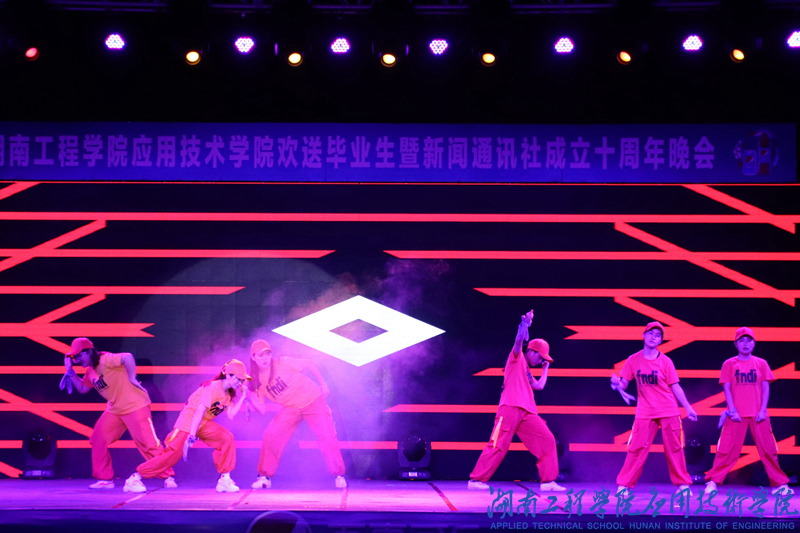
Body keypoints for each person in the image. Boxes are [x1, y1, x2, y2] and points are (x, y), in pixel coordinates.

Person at [468, 310, 567, 492]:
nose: (541, 360)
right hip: (509, 409)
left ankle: (548, 482)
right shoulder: (517, 358)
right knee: (498, 444)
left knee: (548, 440)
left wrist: (545, 369)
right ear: (531, 351)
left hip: (528, 412)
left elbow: (539, 386)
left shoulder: (527, 371)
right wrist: (525, 324)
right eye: (540, 357)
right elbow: (518, 341)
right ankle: (476, 480)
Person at [62, 337, 176, 490]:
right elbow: (82, 389)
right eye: (74, 358)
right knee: (98, 439)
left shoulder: (105, 359)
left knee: (148, 444)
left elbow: (127, 357)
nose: (76, 360)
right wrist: (70, 371)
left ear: (89, 352)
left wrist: (132, 378)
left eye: (79, 356)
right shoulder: (90, 371)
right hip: (115, 410)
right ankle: (104, 480)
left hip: (135, 405)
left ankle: (168, 476)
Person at [123, 359, 250, 493]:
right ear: (228, 374)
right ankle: (135, 477)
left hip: (202, 423)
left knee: (226, 438)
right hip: (188, 422)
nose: (240, 383)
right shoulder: (213, 387)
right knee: (171, 455)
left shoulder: (227, 393)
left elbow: (231, 414)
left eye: (242, 380)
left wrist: (243, 397)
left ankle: (225, 479)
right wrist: (192, 436)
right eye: (238, 379)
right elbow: (199, 411)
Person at [246, 339, 347, 490]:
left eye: (267, 354)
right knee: (271, 434)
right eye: (261, 355)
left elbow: (310, 364)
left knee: (326, 434)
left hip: (313, 399)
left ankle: (339, 475)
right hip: (291, 407)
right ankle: (265, 477)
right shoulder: (257, 381)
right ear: (253, 357)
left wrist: (323, 384)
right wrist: (250, 399)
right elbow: (262, 410)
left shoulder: (281, 363)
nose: (265, 358)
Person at [704, 327, 793, 496]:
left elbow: (765, 388)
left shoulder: (761, 363)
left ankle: (779, 485)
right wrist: (732, 410)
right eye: (741, 340)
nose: (745, 344)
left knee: (768, 450)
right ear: (736, 344)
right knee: (726, 450)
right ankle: (713, 481)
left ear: (754, 343)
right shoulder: (729, 364)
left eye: (749, 340)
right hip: (735, 415)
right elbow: (727, 389)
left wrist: (762, 410)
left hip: (758, 414)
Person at [612, 321, 698, 496]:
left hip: (668, 410)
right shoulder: (633, 359)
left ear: (661, 341)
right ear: (644, 335)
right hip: (645, 411)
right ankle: (624, 485)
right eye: (651, 333)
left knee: (674, 448)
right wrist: (617, 384)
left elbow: (675, 386)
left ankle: (683, 485)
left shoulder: (666, 361)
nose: (653, 337)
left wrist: (688, 408)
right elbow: (624, 383)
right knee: (636, 448)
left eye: (658, 335)